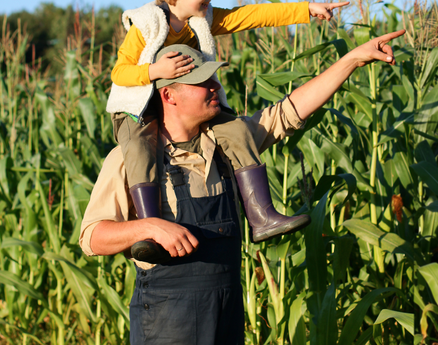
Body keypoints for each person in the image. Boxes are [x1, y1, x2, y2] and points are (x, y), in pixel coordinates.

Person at [79, 29, 405, 344]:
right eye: (202, 82)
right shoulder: (130, 159)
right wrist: (148, 227)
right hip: (167, 319)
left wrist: (352, 59)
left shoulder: (229, 143)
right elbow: (92, 237)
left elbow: (289, 111)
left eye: (214, 79)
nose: (215, 87)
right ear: (168, 95)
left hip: (226, 313)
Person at [105, 0, 348, 263]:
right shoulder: (147, 24)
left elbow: (251, 16)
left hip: (186, 105)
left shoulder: (200, 19)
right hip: (138, 108)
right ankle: (152, 230)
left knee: (235, 129)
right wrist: (155, 72)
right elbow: (119, 72)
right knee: (139, 150)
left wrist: (306, 9)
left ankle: (261, 217)